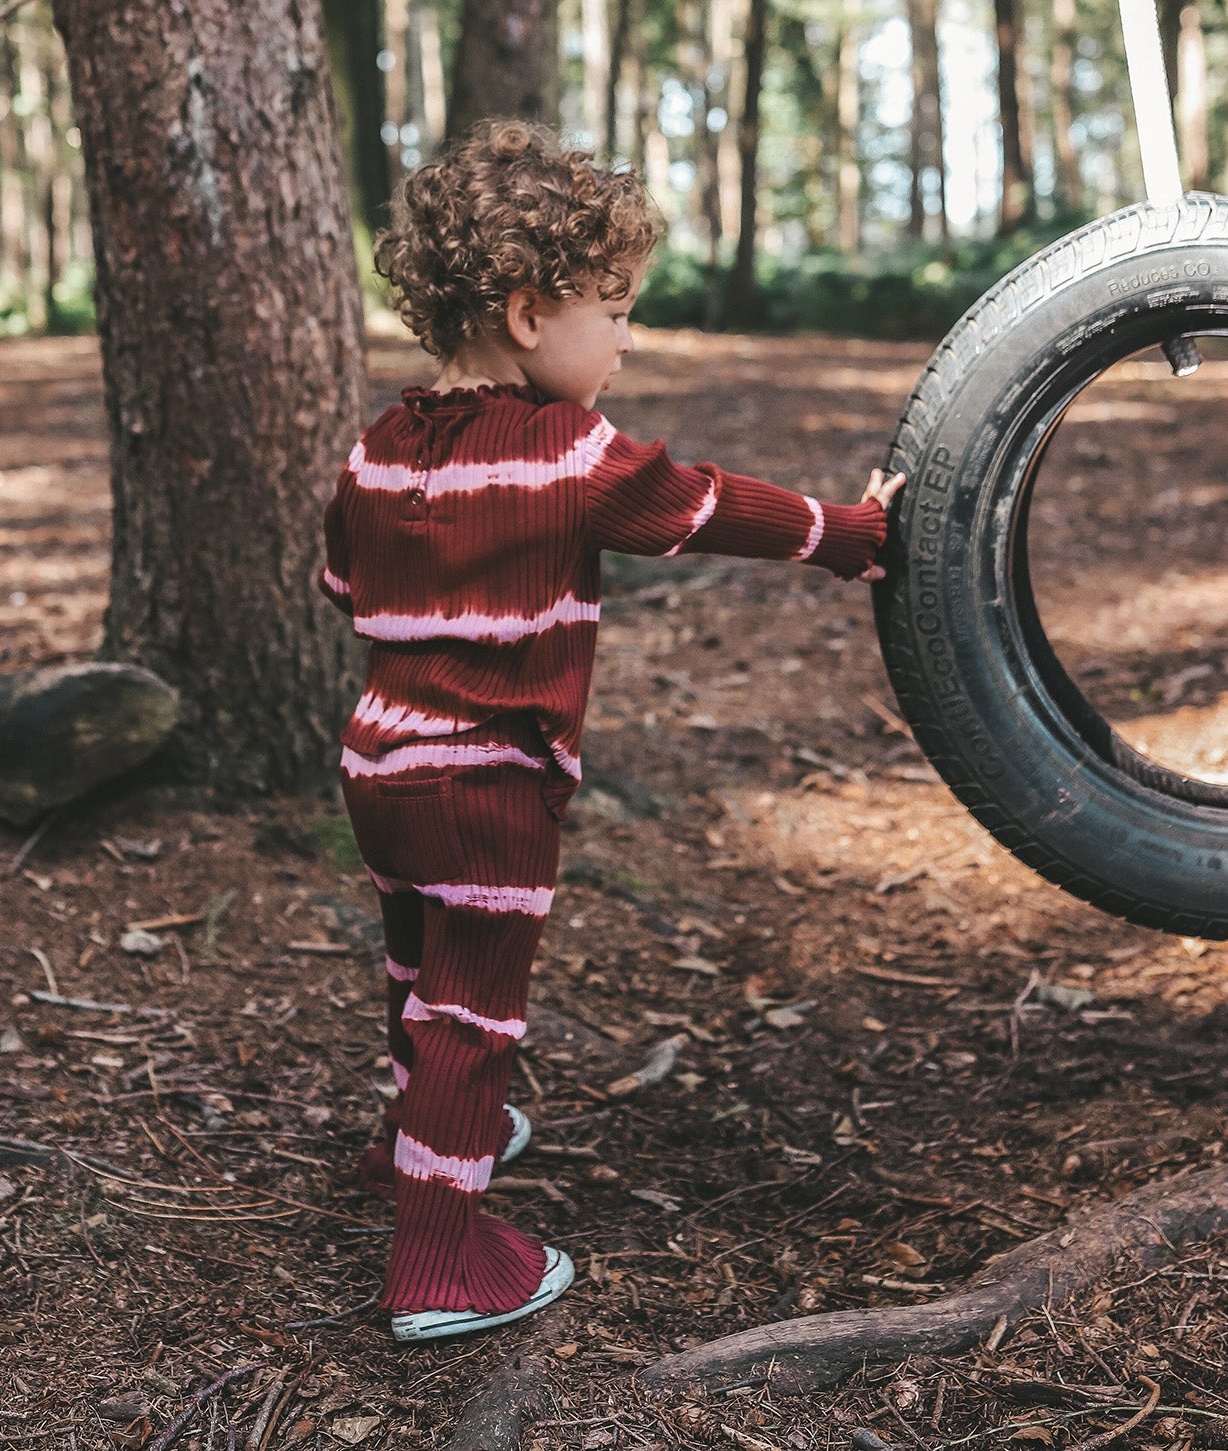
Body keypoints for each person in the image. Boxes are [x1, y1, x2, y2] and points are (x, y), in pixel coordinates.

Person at [318, 119, 906, 1343]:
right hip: (487, 781)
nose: (627, 341)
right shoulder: (566, 450)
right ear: (529, 312)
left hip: (377, 760)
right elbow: (699, 506)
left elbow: (341, 586)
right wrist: (850, 532)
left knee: (411, 972)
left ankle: (404, 1144)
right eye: (616, 309)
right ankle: (435, 1262)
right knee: (472, 1013)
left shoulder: (375, 445)